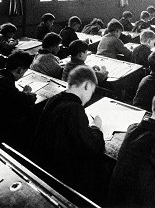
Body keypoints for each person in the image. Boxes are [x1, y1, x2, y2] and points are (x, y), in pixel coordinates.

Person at [31, 65, 107, 202]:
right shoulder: (74, 109)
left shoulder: (54, 99)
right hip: (61, 175)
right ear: (86, 85)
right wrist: (96, 127)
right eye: (92, 90)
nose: (90, 96)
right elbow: (93, 147)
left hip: (42, 162)